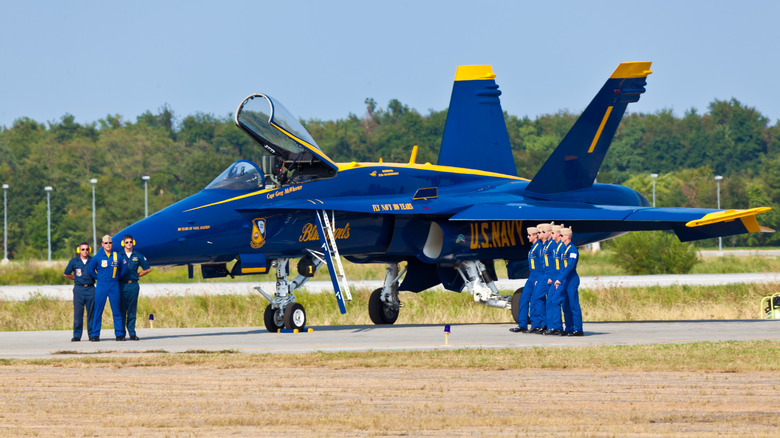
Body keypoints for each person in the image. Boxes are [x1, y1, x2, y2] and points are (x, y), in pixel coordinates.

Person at [87, 234, 127, 341]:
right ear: (102, 244)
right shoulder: (97, 257)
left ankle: (119, 334)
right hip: (101, 286)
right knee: (98, 310)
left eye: (110, 243)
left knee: (116, 311)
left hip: (114, 285)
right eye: (106, 243)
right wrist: (98, 278)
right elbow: (90, 270)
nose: (108, 245)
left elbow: (124, 268)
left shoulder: (117, 256)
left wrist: (118, 277)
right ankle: (95, 334)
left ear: (112, 244)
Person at [118, 234, 151, 341]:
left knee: (132, 310)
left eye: (130, 242)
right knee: (122, 309)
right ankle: (121, 334)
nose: (129, 244)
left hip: (133, 285)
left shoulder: (138, 255)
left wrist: (138, 275)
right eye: (126, 242)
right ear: (123, 243)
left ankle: (132, 333)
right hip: (122, 285)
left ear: (133, 243)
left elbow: (147, 269)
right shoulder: (119, 255)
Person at [63, 242, 96, 341]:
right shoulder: (74, 261)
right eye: (83, 249)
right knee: (78, 313)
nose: (85, 251)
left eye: (86, 249)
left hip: (91, 288)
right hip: (79, 289)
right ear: (79, 250)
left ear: (89, 250)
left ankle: (92, 335)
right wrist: (76, 278)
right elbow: (66, 274)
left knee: (91, 313)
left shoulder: (93, 260)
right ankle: (77, 335)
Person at [510, 226, 540, 333]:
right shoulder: (533, 248)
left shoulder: (540, 248)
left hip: (537, 276)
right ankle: (522, 325)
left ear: (535, 235)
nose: (527, 237)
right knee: (524, 299)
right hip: (531, 276)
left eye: (529, 235)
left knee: (535, 301)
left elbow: (544, 265)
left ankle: (536, 325)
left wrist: (540, 278)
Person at [555, 227, 583, 336]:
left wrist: (559, 279)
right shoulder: (564, 249)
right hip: (564, 280)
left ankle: (578, 329)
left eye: (561, 235)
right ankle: (569, 328)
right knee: (565, 305)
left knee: (574, 305)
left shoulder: (572, 250)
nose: (560, 237)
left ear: (567, 236)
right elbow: (562, 267)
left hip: (571, 280)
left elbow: (570, 266)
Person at [529, 223, 552, 333]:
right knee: (537, 298)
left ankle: (550, 325)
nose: (539, 235)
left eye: (541, 232)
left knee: (551, 301)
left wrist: (552, 276)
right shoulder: (543, 246)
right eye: (538, 233)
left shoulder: (549, 246)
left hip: (548, 275)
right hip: (542, 275)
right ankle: (542, 324)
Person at [544, 225, 567, 335]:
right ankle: (553, 326)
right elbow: (553, 265)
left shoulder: (562, 247)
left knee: (559, 302)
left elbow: (565, 266)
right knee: (552, 301)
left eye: (552, 233)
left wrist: (558, 279)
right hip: (555, 276)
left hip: (561, 277)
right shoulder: (556, 246)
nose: (550, 235)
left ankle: (559, 327)